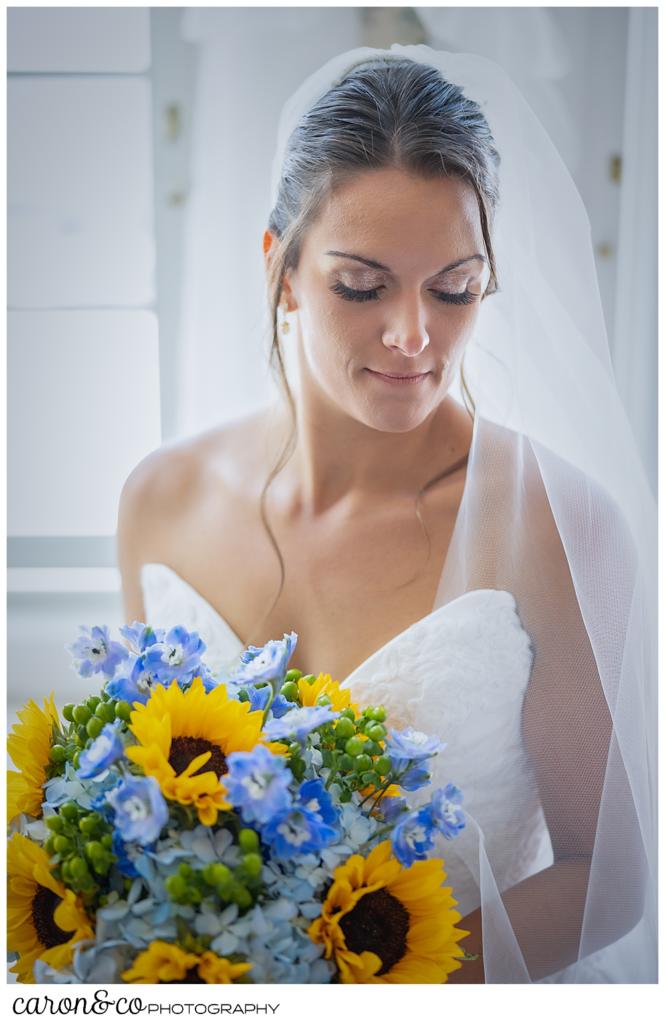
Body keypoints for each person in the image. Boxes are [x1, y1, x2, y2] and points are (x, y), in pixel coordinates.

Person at [117, 45, 656, 983]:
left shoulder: (558, 522)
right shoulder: (160, 502)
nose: (415, 335)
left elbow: (605, 873)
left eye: (455, 288)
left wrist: (361, 993)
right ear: (280, 271)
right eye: (360, 286)